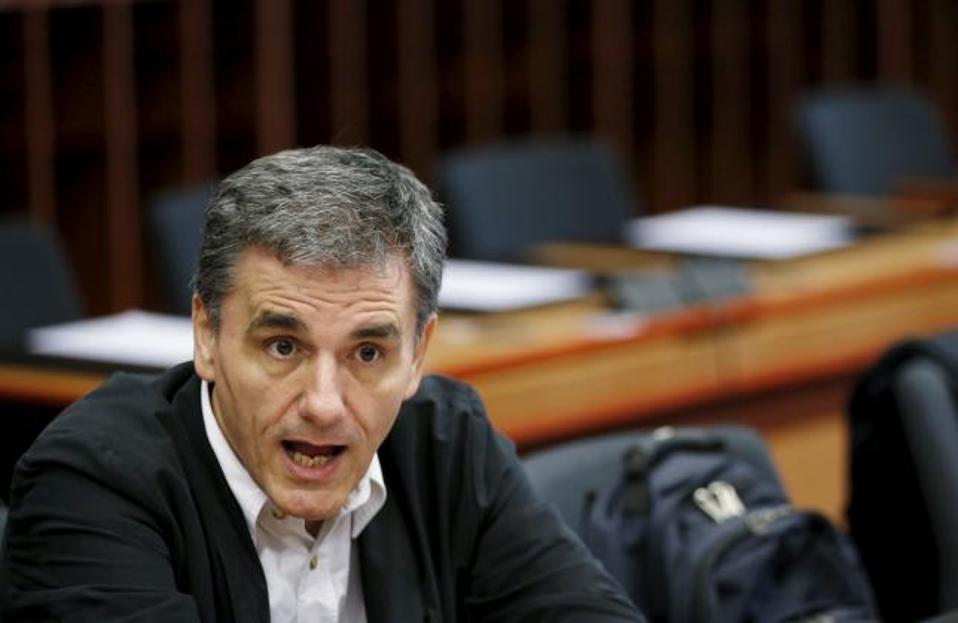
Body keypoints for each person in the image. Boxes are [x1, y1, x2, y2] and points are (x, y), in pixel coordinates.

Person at [1, 146, 643, 622]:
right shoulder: (93, 481)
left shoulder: (447, 444)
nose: (324, 404)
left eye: (368, 353)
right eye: (283, 347)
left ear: (418, 353)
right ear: (207, 335)